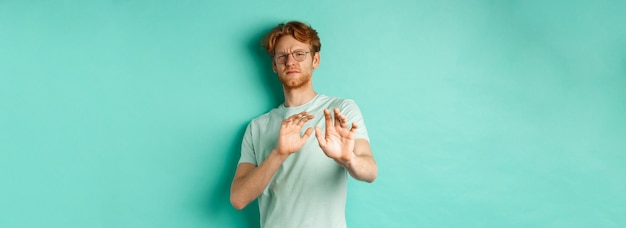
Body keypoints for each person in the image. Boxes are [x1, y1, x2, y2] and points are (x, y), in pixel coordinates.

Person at [230, 21, 378, 228]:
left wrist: (348, 159)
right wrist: (279, 154)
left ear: (315, 59)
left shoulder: (340, 110)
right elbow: (238, 199)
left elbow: (370, 172)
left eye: (299, 54)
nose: (290, 61)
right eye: (282, 56)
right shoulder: (257, 127)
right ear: (274, 65)